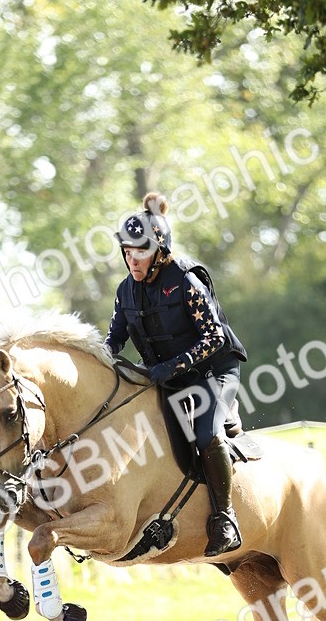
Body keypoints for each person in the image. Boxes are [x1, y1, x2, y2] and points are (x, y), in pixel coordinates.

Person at [104, 192, 247, 557]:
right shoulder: (125, 292)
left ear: (159, 251)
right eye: (126, 252)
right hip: (168, 379)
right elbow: (114, 339)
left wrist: (172, 365)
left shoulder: (185, 281)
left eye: (139, 252)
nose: (131, 260)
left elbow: (215, 337)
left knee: (204, 431)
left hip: (213, 372)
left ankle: (226, 519)